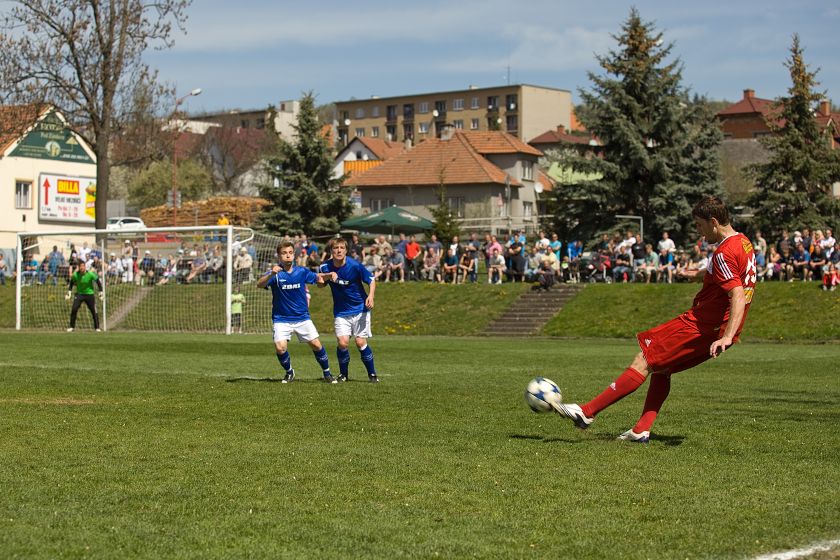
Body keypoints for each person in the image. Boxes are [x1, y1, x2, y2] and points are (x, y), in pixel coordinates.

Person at [553, 196, 756, 443]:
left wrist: (724, 336)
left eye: (700, 226)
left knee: (645, 358)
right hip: (720, 327)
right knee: (663, 368)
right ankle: (641, 430)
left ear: (713, 222)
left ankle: (586, 412)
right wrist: (698, 275)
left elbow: (736, 294)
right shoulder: (743, 242)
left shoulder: (724, 251)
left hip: (702, 325)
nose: (698, 232)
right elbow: (732, 275)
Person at [256, 240, 334, 383]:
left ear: (294, 255)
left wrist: (330, 275)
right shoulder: (275, 274)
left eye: (290, 253)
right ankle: (289, 372)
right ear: (279, 256)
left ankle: (327, 373)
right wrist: (270, 275)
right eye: (284, 253)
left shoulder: (302, 271)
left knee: (316, 345)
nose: (288, 256)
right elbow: (259, 284)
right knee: (280, 348)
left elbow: (318, 278)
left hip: (302, 317)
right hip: (281, 318)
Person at [319, 237, 379, 383]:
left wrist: (370, 296)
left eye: (342, 248)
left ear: (346, 250)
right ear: (331, 250)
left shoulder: (354, 266)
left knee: (360, 342)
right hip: (341, 311)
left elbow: (371, 279)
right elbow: (320, 283)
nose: (339, 251)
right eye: (335, 248)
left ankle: (372, 375)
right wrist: (328, 276)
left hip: (360, 308)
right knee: (343, 343)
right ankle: (343, 375)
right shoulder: (325, 267)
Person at [66, 260, 103, 332]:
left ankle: (97, 327)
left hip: (89, 294)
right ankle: (71, 327)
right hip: (80, 294)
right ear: (79, 267)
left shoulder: (90, 274)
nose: (82, 268)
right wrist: (69, 292)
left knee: (93, 310)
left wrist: (100, 292)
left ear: (85, 266)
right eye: (80, 266)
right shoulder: (76, 275)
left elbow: (98, 282)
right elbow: (71, 283)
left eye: (83, 266)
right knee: (74, 309)